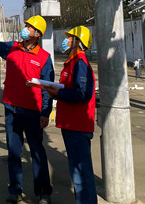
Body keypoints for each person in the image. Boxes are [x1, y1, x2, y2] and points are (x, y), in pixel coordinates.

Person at [0, 16, 54, 204]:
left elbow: (48, 87)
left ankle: (43, 192)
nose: (25, 28)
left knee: (37, 152)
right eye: (26, 25)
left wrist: (45, 113)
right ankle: (15, 191)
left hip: (33, 112)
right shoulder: (12, 47)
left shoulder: (44, 58)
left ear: (37, 34)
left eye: (29, 27)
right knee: (13, 152)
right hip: (11, 109)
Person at [41, 26, 97, 204]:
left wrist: (58, 93)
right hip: (70, 124)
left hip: (77, 126)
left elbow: (82, 93)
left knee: (81, 174)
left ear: (78, 42)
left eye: (70, 38)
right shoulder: (72, 63)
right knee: (77, 173)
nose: (66, 41)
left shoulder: (80, 63)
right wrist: (56, 91)